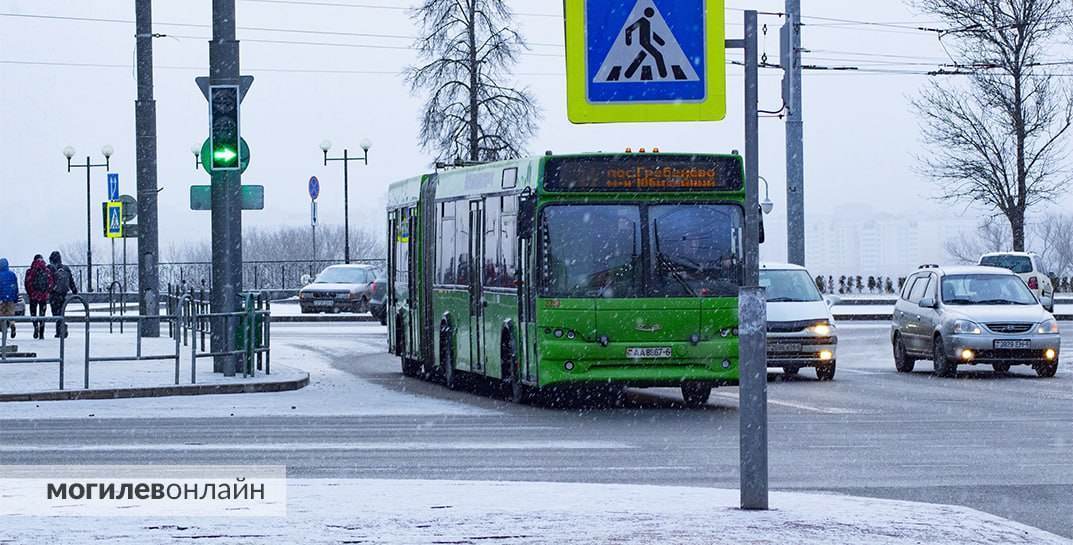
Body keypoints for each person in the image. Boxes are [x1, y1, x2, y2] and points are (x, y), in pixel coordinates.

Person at [47, 251, 77, 338]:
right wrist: (74, 291)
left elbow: (47, 280)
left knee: (56, 313)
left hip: (54, 293)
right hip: (63, 294)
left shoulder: (50, 268)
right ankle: (60, 329)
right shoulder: (66, 268)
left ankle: (61, 329)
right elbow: (71, 281)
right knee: (61, 311)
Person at [24, 254, 54, 340]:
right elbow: (50, 283)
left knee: (33, 314)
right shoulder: (47, 270)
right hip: (43, 296)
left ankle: (35, 327)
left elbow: (27, 283)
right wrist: (46, 292)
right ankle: (41, 333)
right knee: (42, 315)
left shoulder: (30, 271)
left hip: (33, 296)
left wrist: (31, 293)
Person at [0, 258, 18, 339]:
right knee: (11, 314)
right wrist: (15, 297)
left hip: (1, 298)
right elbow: (15, 287)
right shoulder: (12, 274)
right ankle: (12, 324)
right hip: (10, 298)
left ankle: (4, 330)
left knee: (2, 314)